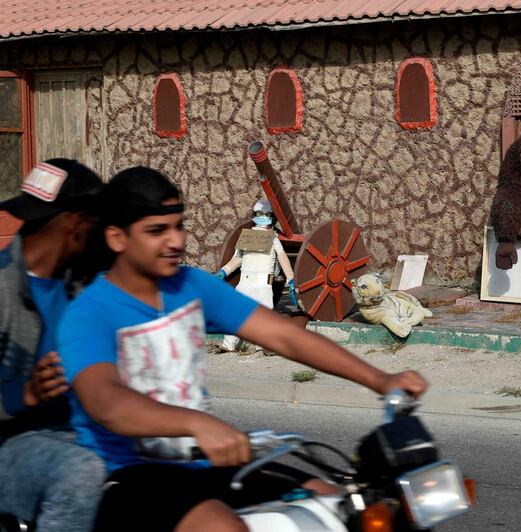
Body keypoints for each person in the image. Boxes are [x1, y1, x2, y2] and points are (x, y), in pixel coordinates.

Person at [58, 166, 428, 532]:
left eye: (178, 226)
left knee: (328, 500)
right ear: (117, 238)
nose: (175, 241)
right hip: (127, 473)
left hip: (203, 463)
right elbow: (106, 401)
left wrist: (379, 379)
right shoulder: (89, 313)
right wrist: (197, 423)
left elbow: (285, 336)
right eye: (156, 231)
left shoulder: (190, 286)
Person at [0, 159, 106, 531]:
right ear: (76, 223)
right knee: (81, 471)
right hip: (11, 446)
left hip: (77, 431)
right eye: (97, 225)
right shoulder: (2, 288)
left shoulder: (84, 285)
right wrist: (25, 393)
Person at [215, 198, 298, 351]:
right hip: (245, 283)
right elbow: (238, 259)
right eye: (259, 213)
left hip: (263, 284)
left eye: (265, 213)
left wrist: (291, 279)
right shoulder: (246, 236)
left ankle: (265, 345)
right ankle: (229, 344)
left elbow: (282, 258)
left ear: (272, 217)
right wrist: (223, 272)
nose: (262, 216)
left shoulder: (273, 238)